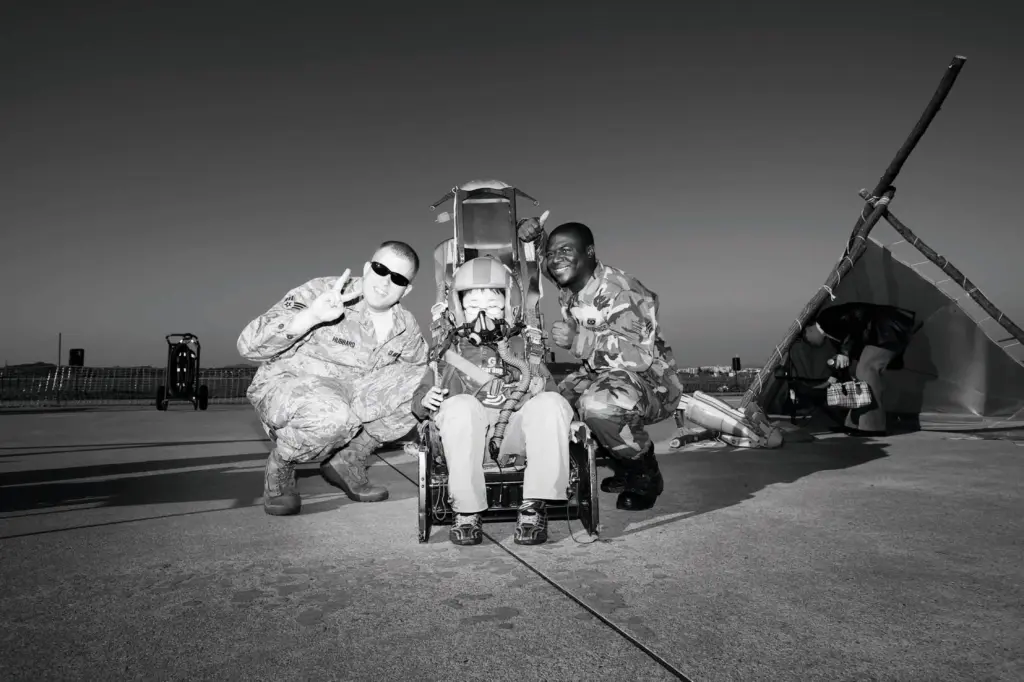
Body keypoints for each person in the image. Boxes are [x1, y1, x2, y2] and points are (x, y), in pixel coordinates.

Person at [237, 241, 428, 515]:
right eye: (380, 269)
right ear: (367, 268)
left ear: (406, 289)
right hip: (291, 388)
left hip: (352, 396)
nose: (385, 282)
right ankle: (283, 462)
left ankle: (347, 459)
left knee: (427, 386)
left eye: (398, 278)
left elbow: (420, 370)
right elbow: (248, 346)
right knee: (335, 416)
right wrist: (311, 316)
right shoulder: (324, 291)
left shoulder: (405, 325)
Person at [517, 219, 685, 512]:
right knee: (550, 403)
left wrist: (580, 340)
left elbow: (639, 356)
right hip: (603, 372)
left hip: (652, 382)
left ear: (590, 252)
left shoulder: (622, 291)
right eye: (553, 253)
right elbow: (548, 262)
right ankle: (616, 460)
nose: (557, 259)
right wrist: (535, 236)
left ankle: (644, 475)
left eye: (566, 251)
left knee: (599, 406)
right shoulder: (572, 279)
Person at [411, 256, 573, 547]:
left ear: (510, 306)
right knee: (460, 407)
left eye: (493, 305)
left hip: (515, 441)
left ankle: (533, 507)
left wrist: (543, 396)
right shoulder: (447, 352)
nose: (482, 315)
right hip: (469, 443)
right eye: (473, 306)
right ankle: (467, 512)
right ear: (459, 309)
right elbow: (418, 401)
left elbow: (550, 400)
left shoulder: (526, 349)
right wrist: (426, 399)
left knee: (553, 403)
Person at [803, 301, 917, 436]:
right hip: (880, 334)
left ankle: (873, 427)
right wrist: (833, 377)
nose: (811, 344)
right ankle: (854, 423)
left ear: (809, 329)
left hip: (886, 330)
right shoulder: (831, 334)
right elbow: (845, 357)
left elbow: (853, 323)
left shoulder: (826, 318)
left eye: (807, 339)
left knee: (868, 370)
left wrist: (844, 352)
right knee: (858, 378)